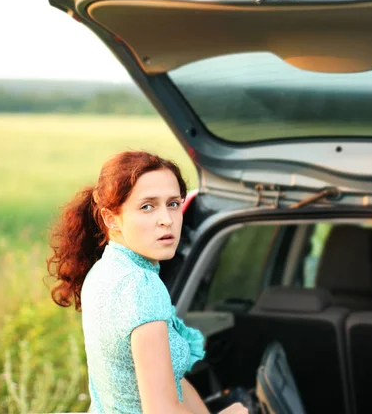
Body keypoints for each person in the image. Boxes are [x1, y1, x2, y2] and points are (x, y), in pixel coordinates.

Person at [47, 150, 248, 414]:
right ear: (111, 218)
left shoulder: (104, 270)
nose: (167, 219)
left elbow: (171, 381)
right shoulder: (140, 285)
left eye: (173, 203)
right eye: (147, 206)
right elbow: (161, 409)